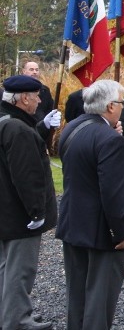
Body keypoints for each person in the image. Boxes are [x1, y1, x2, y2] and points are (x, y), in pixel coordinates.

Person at [56, 80, 124, 330]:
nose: (123, 108)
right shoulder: (109, 139)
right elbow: (113, 192)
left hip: (73, 222)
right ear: (111, 106)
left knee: (77, 295)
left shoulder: (72, 128)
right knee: (99, 301)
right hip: (102, 230)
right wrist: (121, 232)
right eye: (122, 103)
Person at [0, 75, 57, 330]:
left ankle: (10, 315)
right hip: (19, 214)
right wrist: (37, 212)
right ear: (24, 98)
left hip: (6, 209)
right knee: (19, 271)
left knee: (6, 269)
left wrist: (43, 127)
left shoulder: (8, 122)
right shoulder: (17, 128)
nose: (39, 100)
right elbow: (27, 175)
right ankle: (17, 320)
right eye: (36, 96)